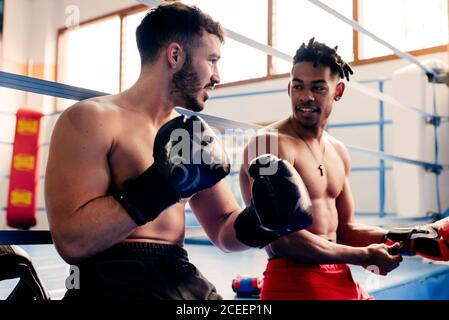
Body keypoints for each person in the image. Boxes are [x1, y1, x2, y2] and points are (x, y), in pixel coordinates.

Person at [44, 2, 312, 300]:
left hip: (178, 275)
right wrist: (161, 185)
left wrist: (263, 222)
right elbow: (73, 242)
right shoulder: (91, 119)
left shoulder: (190, 136)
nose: (218, 76)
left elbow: (223, 227)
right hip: (113, 282)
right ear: (175, 56)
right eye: (212, 60)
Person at [239, 38, 404, 300]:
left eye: (318, 88)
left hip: (342, 277)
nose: (306, 97)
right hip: (294, 279)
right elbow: (284, 240)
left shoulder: (338, 151)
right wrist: (362, 256)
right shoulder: (267, 144)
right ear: (289, 88)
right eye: (298, 86)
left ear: (338, 91)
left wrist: (414, 238)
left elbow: (346, 230)